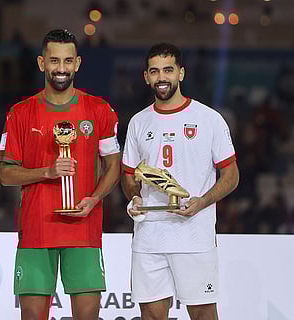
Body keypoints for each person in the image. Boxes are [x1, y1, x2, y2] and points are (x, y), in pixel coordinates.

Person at [0, 29, 121, 320]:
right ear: (42, 63)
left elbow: (113, 165)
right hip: (36, 228)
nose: (61, 68)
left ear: (78, 63)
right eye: (54, 61)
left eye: (67, 61)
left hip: (84, 227)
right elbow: (5, 174)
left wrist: (94, 198)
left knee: (88, 315)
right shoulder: (20, 113)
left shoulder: (99, 110)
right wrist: (47, 172)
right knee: (31, 315)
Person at [121, 42, 239, 320]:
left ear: (181, 73)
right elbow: (129, 176)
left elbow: (231, 175)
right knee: (150, 314)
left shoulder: (208, 119)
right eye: (155, 71)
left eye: (168, 70)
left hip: (194, 236)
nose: (162, 77)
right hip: (149, 237)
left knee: (202, 314)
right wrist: (135, 197)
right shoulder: (138, 122)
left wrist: (202, 202)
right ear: (146, 77)